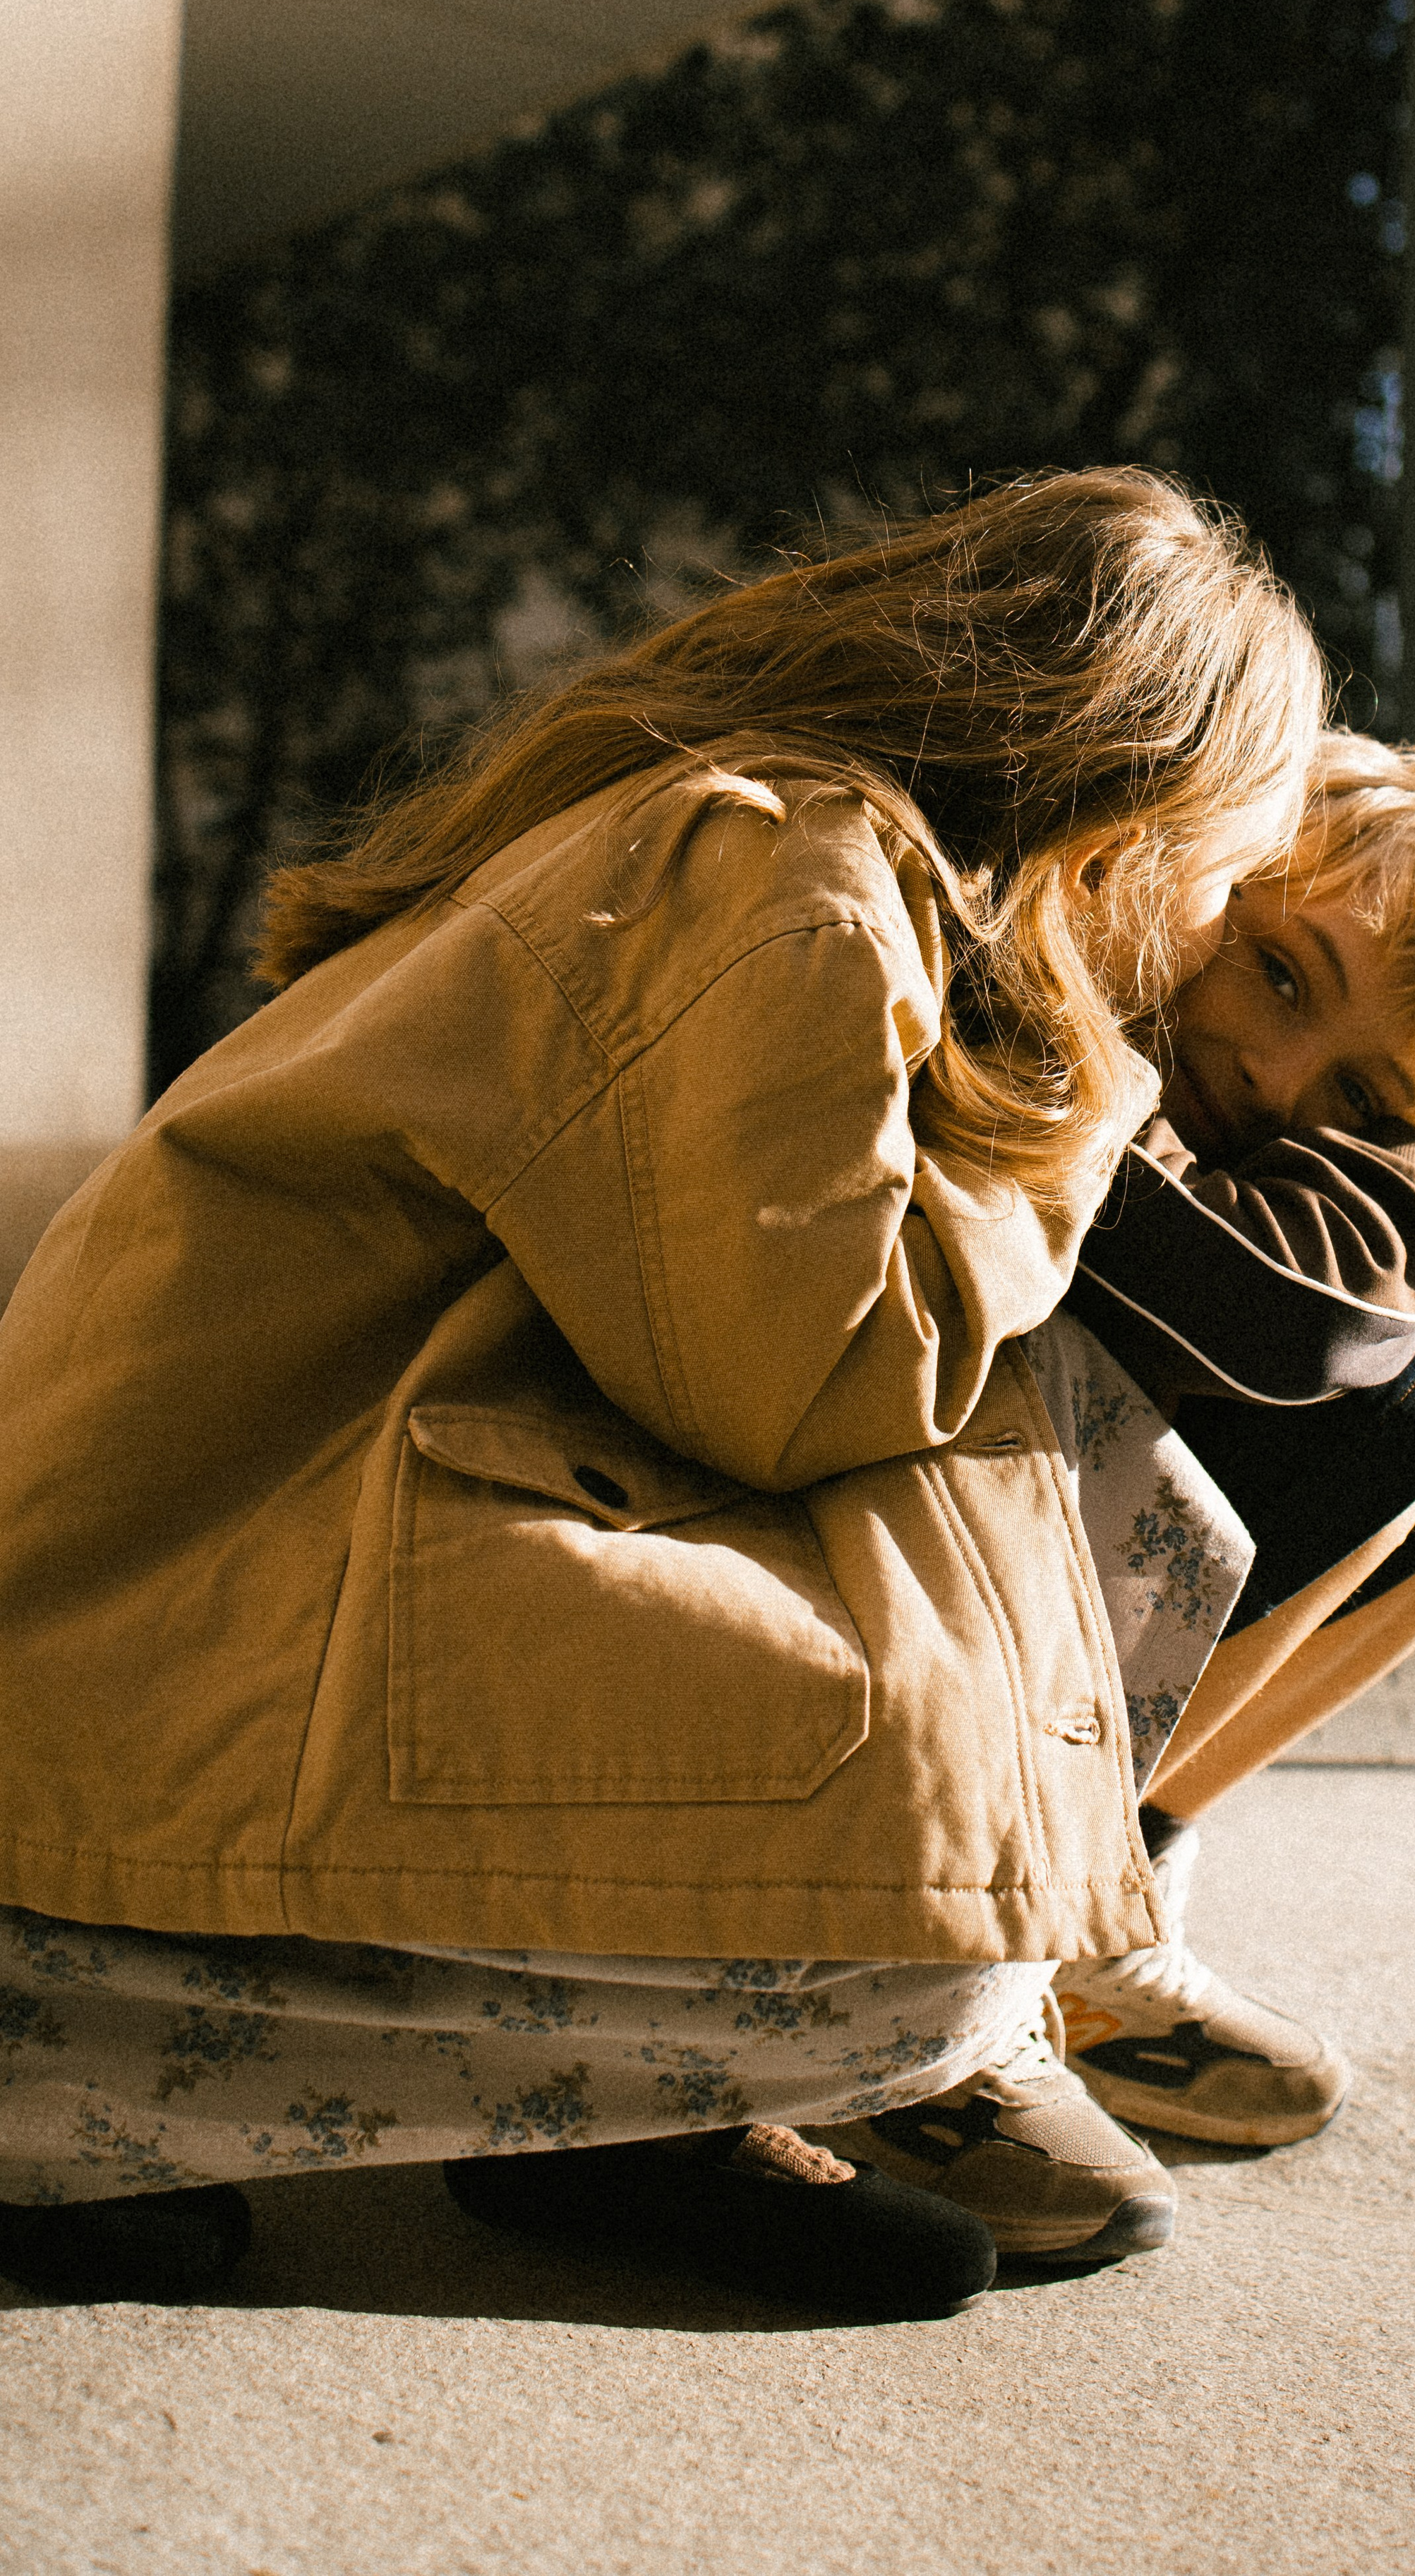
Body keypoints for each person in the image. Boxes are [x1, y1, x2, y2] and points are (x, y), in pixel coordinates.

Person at [0, 471, 1325, 2314]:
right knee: (939, 1898)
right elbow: (807, 1384)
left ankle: (600, 2124)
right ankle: (96, 2087)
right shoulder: (781, 876)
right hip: (182, 1610)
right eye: (1232, 880)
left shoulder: (778, 846)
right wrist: (1086, 1102)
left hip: (225, 1567)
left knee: (1043, 1636)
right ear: (1127, 814)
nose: (1207, 939)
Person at [825, 737, 1415, 2237]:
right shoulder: (1069, 1013)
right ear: (1200, 876)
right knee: (1395, 1418)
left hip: (1014, 1539)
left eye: (1359, 1095)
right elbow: (1288, 1311)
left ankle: (1096, 1910)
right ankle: (945, 1970)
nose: (1276, 1080)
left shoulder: (1247, 1128)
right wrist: (1402, 1183)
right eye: (1278, 973)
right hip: (873, 1518)